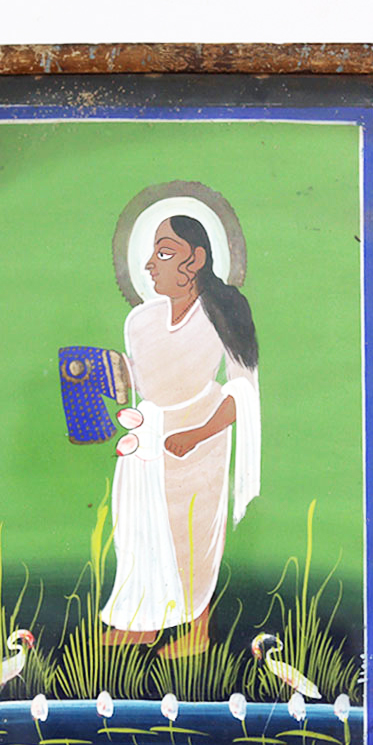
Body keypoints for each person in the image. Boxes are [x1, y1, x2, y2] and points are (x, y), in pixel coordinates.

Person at [100, 215, 261, 656]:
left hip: (200, 440)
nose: (151, 263)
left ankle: (197, 631)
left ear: (195, 260)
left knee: (190, 533)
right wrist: (105, 372)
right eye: (152, 252)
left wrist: (198, 434)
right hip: (148, 438)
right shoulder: (140, 320)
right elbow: (141, 382)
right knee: (137, 530)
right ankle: (141, 624)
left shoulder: (223, 314)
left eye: (165, 252)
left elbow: (243, 391)